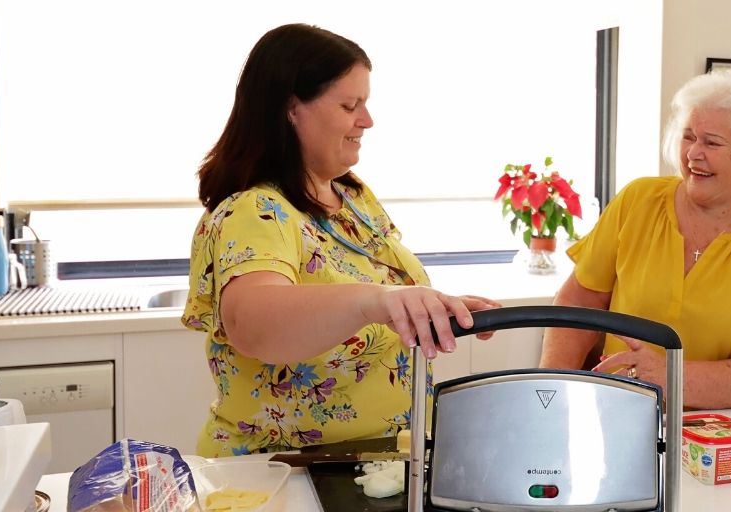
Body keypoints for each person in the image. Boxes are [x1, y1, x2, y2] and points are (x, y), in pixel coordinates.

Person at [182, 24, 500, 458]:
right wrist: (375, 300)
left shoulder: (351, 198)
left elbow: (368, 297)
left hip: (372, 463)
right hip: (281, 472)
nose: (366, 121)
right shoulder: (254, 211)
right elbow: (252, 325)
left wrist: (426, 308)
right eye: (350, 105)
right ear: (291, 108)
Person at [539, 69, 731, 409]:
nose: (693, 152)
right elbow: (579, 303)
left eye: (712, 142)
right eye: (688, 137)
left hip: (721, 434)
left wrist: (667, 376)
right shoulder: (638, 201)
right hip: (617, 410)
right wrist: (549, 391)